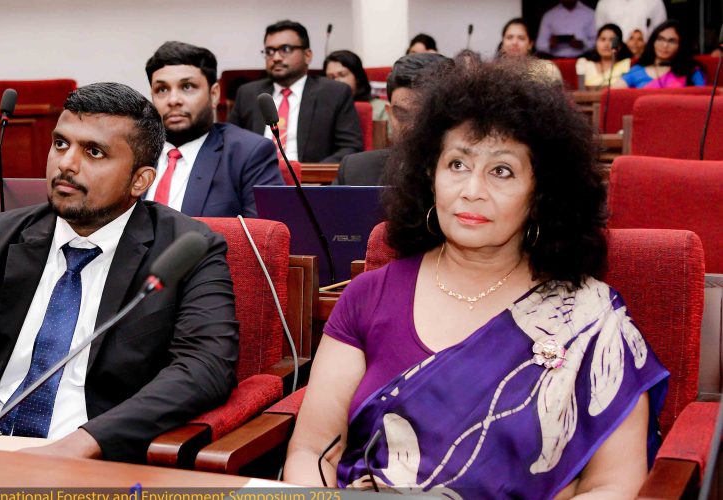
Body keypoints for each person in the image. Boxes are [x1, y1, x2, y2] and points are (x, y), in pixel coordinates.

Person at [284, 61, 668, 497]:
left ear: (541, 193)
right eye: (457, 164)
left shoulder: (589, 318)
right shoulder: (368, 296)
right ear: (429, 175)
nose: (472, 190)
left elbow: (613, 485)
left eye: (501, 171)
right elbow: (313, 451)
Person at [0, 82, 239, 464]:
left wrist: (83, 442)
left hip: (98, 462)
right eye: (61, 144)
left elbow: (204, 367)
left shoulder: (186, 249)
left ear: (139, 180)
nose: (66, 164)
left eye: (94, 152)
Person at [144, 41, 283, 218]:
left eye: (187, 87)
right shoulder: (135, 152)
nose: (173, 100)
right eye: (162, 89)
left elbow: (264, 232)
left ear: (214, 94)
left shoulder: (248, 154)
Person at [228, 20, 363, 163]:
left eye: (285, 49)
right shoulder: (248, 93)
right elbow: (229, 144)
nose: (276, 58)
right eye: (269, 51)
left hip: (309, 175)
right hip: (256, 174)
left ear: (307, 55)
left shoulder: (335, 93)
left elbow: (350, 148)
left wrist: (314, 174)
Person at [333, 53, 453, 186]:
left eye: (424, 116)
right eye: (402, 114)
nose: (412, 127)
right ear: (389, 113)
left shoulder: (469, 177)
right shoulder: (356, 172)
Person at [621, 20, 706, 88]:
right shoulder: (637, 70)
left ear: (681, 45)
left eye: (672, 41)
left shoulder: (692, 71)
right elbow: (616, 93)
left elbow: (701, 98)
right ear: (653, 42)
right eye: (660, 39)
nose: (665, 45)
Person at [323, 50, 387, 122]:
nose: (336, 81)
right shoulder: (323, 108)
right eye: (331, 77)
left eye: (342, 75)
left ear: (357, 77)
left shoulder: (380, 108)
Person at [499, 19, 564, 86]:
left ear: (530, 44)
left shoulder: (547, 70)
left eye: (521, 38)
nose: (514, 42)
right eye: (509, 37)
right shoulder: (495, 70)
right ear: (503, 42)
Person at [576, 23, 634, 88]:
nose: (606, 44)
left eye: (612, 40)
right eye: (603, 39)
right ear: (596, 43)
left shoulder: (626, 64)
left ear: (620, 46)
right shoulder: (583, 63)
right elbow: (581, 90)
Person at [594, 0, 666, 51]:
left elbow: (660, 31)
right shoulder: (605, 3)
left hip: (643, 53)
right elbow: (601, 31)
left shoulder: (655, 2)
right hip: (615, 53)